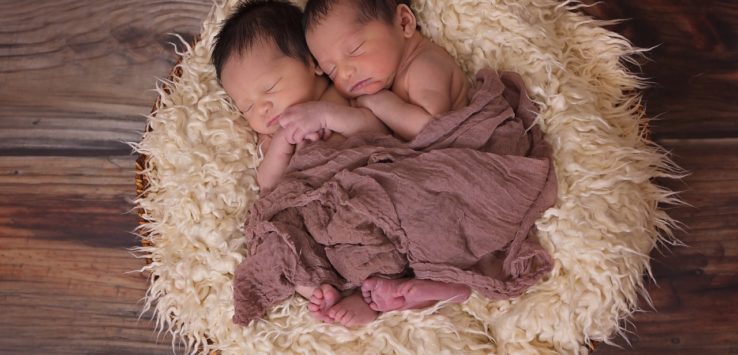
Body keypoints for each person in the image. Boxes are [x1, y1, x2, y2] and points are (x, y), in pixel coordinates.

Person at [212, 0, 386, 326]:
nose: (263, 109)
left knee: (389, 231)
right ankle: (320, 290)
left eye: (270, 88)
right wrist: (282, 143)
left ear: (313, 62)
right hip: (314, 214)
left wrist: (325, 115)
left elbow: (378, 132)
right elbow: (268, 185)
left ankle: (376, 295)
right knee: (281, 241)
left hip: (361, 193)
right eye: (248, 106)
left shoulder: (344, 95)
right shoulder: (274, 136)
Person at [300, 0, 472, 312]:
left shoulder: (425, 64)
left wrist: (379, 103)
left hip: (456, 176)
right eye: (332, 69)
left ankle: (439, 284)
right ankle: (389, 291)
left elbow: (429, 128)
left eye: (354, 50)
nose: (347, 73)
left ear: (405, 22)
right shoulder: (384, 78)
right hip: (422, 178)